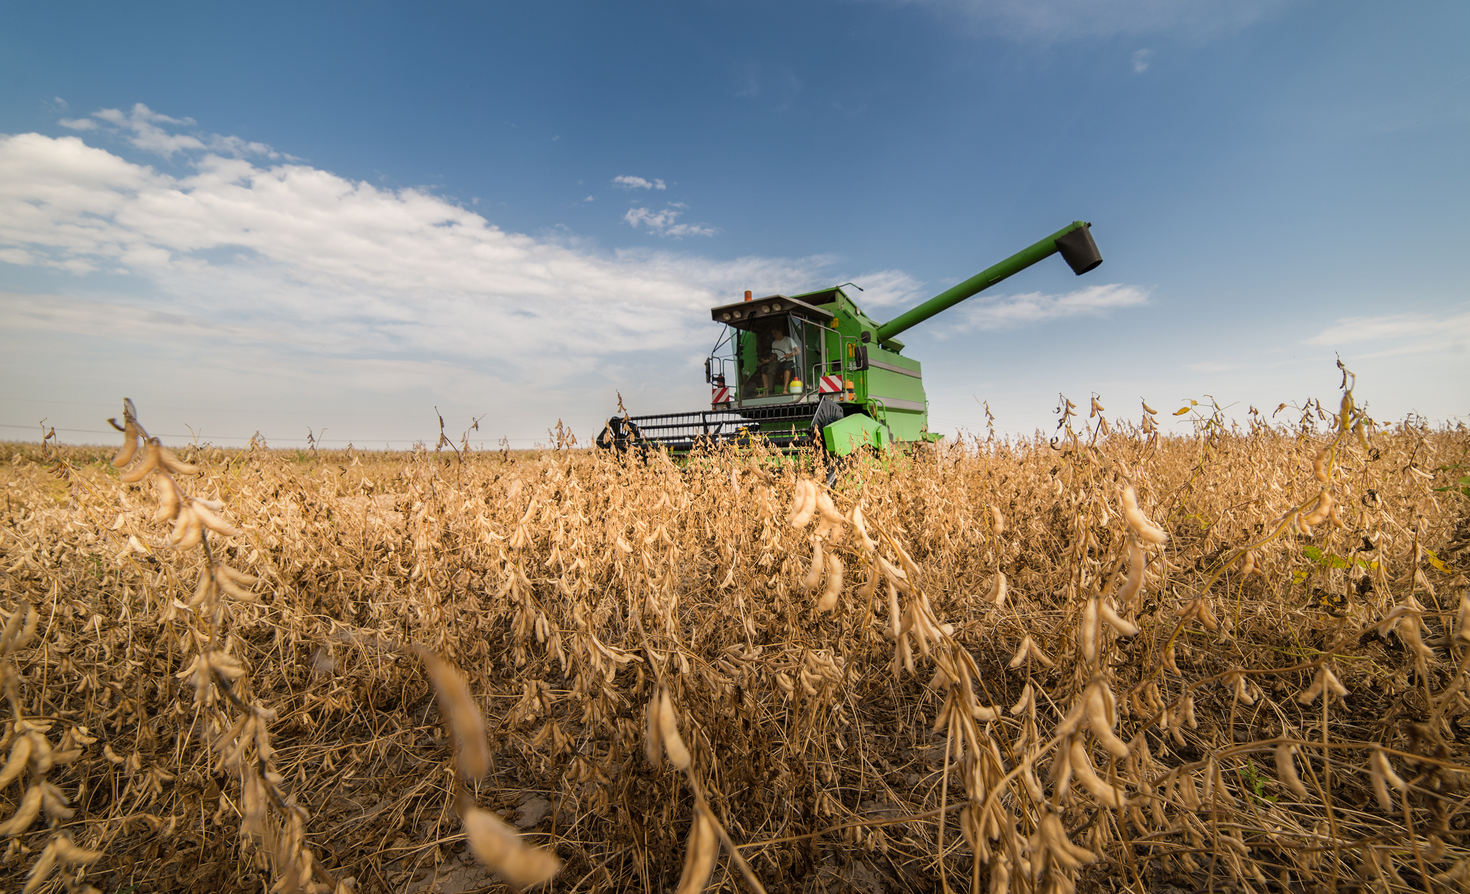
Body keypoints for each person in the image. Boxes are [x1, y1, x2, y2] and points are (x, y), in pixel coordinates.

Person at [761, 325, 800, 394]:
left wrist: (789, 355)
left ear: (780, 332)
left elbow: (798, 351)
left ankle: (785, 390)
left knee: (787, 367)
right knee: (764, 369)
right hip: (779, 362)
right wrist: (766, 361)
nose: (773, 335)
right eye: (773, 334)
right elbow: (774, 355)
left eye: (775, 333)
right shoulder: (774, 343)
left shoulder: (789, 340)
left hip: (789, 361)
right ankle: (766, 392)